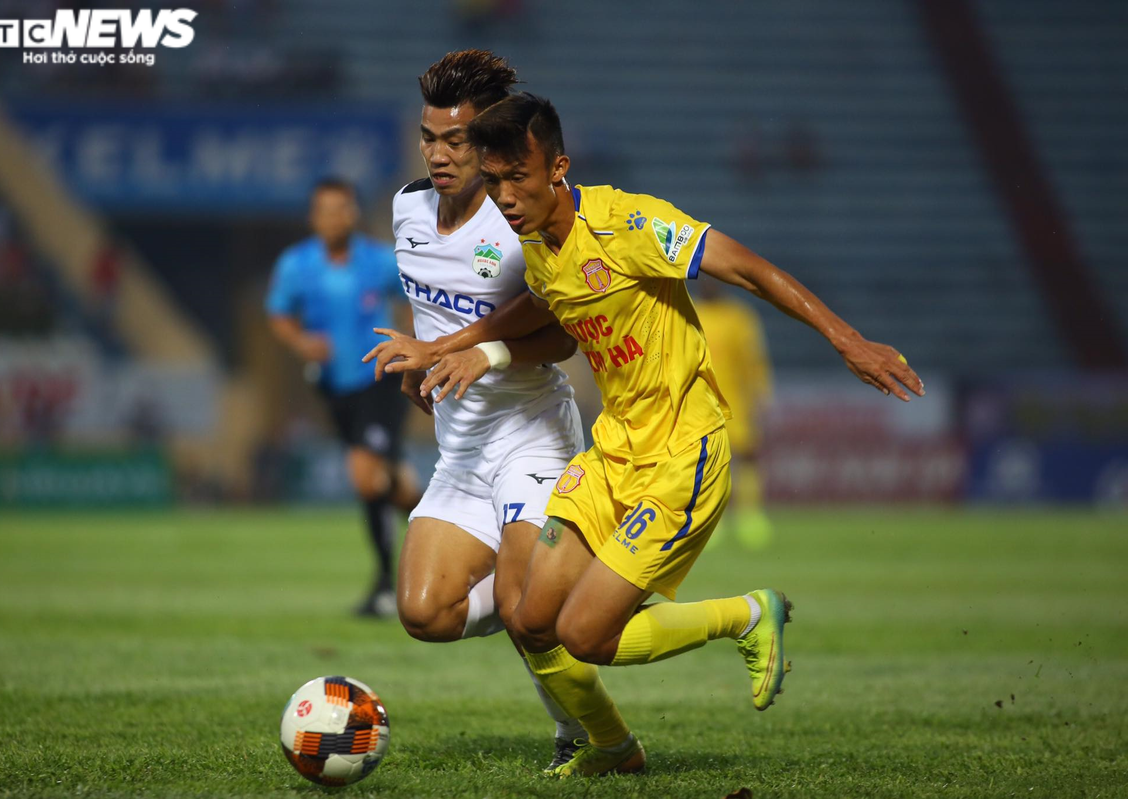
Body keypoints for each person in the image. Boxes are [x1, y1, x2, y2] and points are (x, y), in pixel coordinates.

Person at [368, 92, 925, 777]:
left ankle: (747, 615)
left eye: (518, 178)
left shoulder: (631, 224)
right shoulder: (535, 243)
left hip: (681, 456)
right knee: (530, 620)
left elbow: (747, 268)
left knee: (584, 634)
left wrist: (848, 339)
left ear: (559, 168)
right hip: (612, 452)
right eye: (496, 180)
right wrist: (449, 348)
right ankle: (614, 749)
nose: (505, 197)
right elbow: (539, 306)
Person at [363, 50, 591, 773]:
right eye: (428, 138)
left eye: (455, 141)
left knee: (526, 610)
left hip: (532, 436)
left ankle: (579, 728)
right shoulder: (406, 209)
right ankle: (553, 591)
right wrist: (420, 363)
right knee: (424, 613)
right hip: (460, 450)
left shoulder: (519, 220)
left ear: (489, 140)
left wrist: (479, 354)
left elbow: (563, 334)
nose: (437, 154)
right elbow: (428, 301)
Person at [266, 178, 421, 618]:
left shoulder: (379, 260)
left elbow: (416, 297)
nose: (334, 218)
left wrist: (411, 342)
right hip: (335, 387)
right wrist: (301, 343)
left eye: (342, 208)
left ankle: (385, 586)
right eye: (326, 210)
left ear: (354, 213)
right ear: (313, 217)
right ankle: (438, 517)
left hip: (379, 378)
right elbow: (278, 314)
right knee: (394, 484)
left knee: (366, 477)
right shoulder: (297, 264)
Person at [692, 289, 775, 550]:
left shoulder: (738, 316)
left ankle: (749, 517)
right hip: (699, 402)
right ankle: (712, 522)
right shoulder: (689, 310)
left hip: (736, 400)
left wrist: (761, 393)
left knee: (747, 456)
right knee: (707, 462)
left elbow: (753, 360)